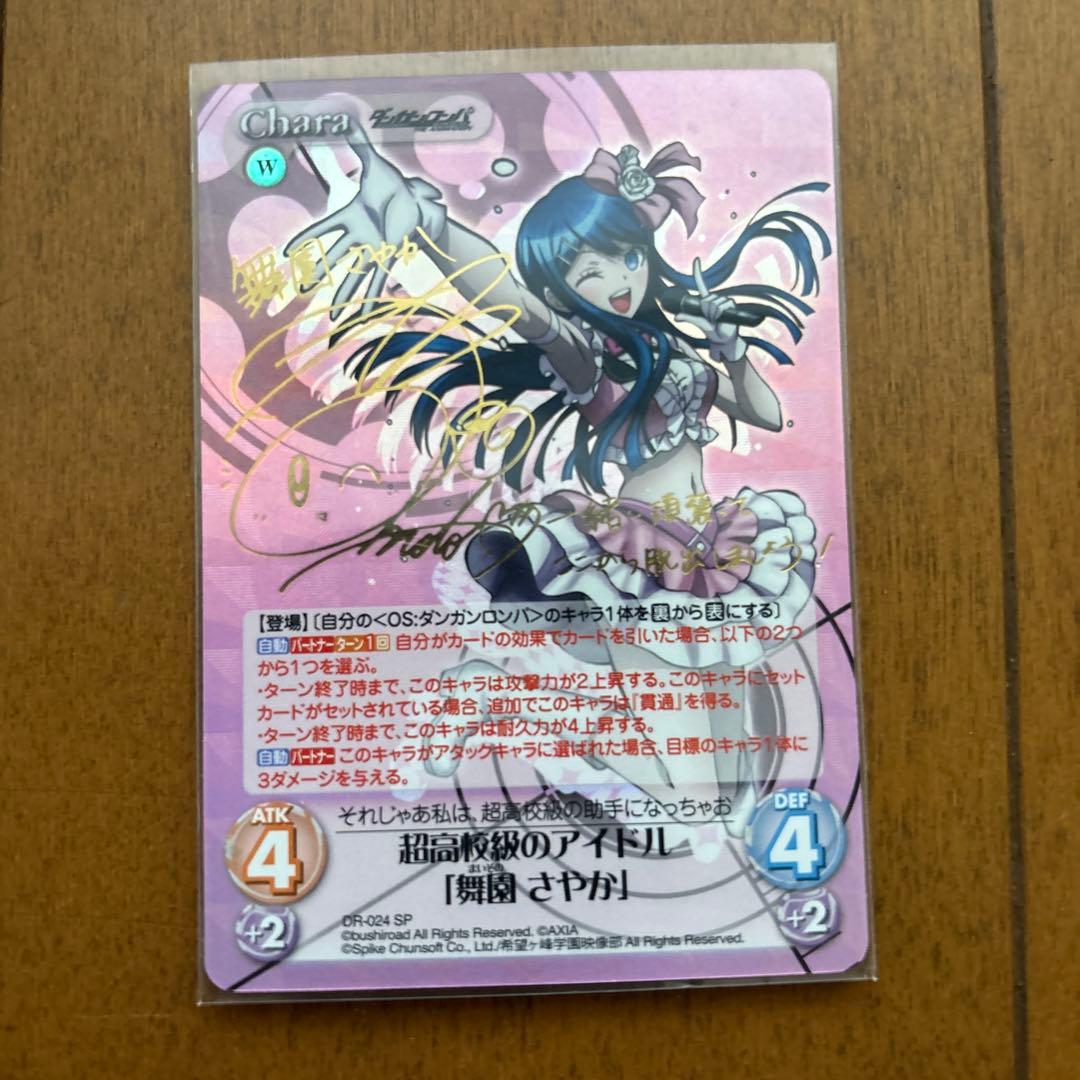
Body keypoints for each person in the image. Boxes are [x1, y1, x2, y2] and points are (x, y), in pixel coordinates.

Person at [286, 129, 830, 834]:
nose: (619, 280)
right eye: (589, 270)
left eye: (627, 256)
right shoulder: (582, 355)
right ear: (561, 285)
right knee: (696, 800)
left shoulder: (668, 343)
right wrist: (433, 226)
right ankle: (496, 696)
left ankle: (503, 696)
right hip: (643, 563)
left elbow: (768, 414)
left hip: (718, 546)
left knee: (733, 796)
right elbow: (509, 299)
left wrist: (730, 353)